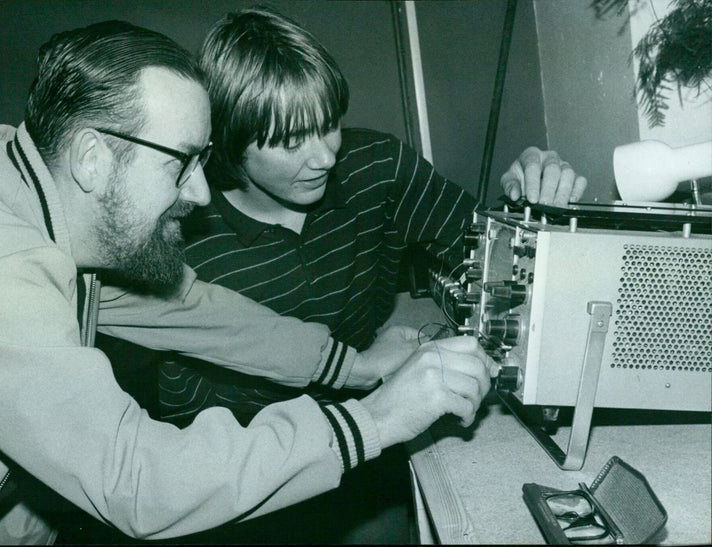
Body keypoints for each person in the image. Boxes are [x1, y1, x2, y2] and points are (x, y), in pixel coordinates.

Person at [0, 20, 500, 546]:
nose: (198, 194)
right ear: (92, 157)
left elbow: (191, 309)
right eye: (180, 163)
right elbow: (137, 480)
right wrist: (373, 421)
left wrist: (356, 368)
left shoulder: (20, 176)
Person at [92, 6, 588, 544]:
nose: (325, 155)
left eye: (328, 124)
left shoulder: (377, 166)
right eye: (291, 141)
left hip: (369, 445)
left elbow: (494, 257)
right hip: (236, 480)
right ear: (230, 146)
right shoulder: (174, 232)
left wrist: (533, 201)